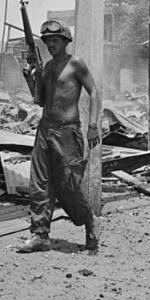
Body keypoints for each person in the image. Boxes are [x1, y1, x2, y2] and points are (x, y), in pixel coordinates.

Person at [17, 19, 101, 253]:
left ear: (65, 41)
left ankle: (89, 221)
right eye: (47, 41)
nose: (50, 45)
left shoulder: (75, 63)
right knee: (39, 183)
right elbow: (41, 100)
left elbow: (94, 92)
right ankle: (40, 235)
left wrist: (93, 124)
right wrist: (30, 78)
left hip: (67, 130)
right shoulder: (48, 68)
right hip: (45, 129)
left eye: (54, 40)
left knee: (68, 185)